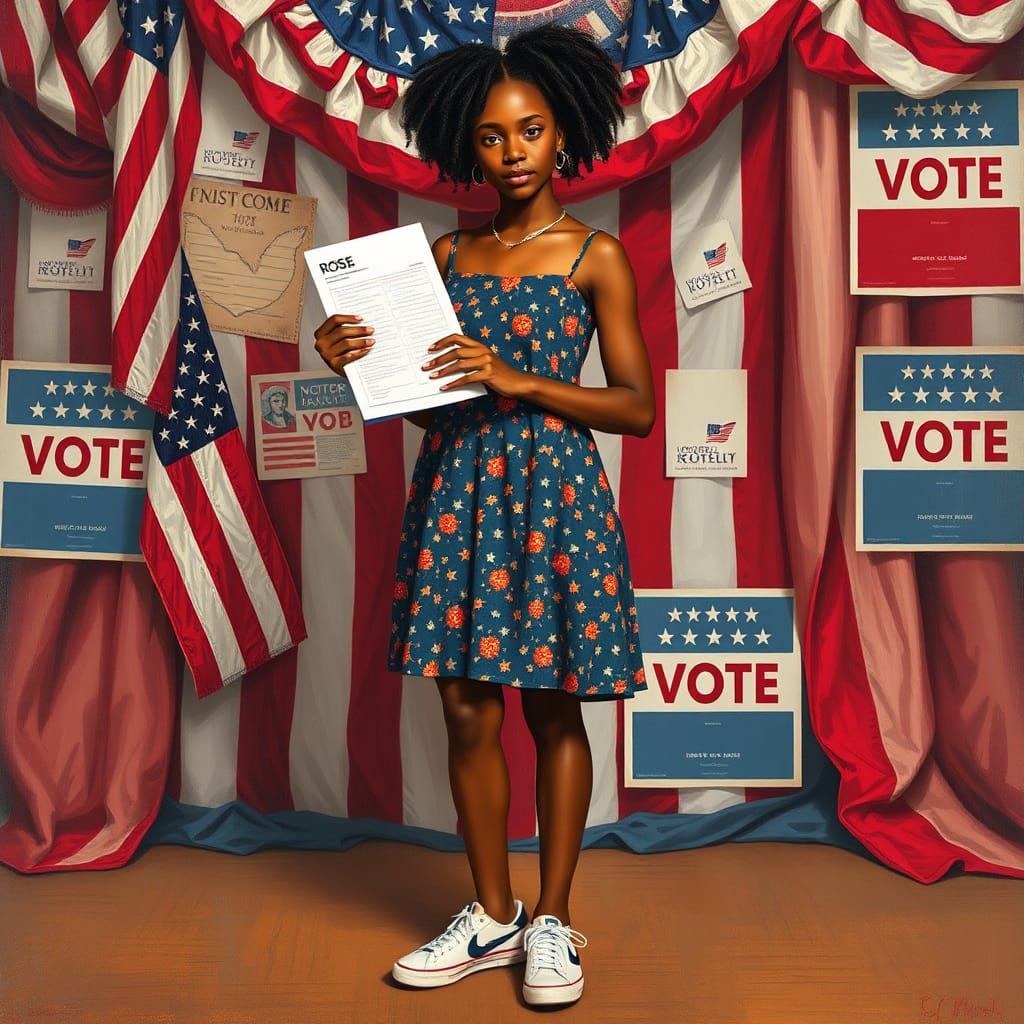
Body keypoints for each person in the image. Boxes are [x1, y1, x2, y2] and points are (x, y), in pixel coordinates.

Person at [313, 24, 655, 1009]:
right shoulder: (444, 255)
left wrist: (518, 377)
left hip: (555, 498)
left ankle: (553, 918)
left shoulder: (596, 256)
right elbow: (433, 402)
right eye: (493, 136)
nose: (512, 152)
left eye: (531, 131)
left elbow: (635, 407)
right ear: (466, 141)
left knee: (552, 706)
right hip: (458, 487)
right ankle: (492, 912)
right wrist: (358, 363)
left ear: (566, 133)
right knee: (466, 707)